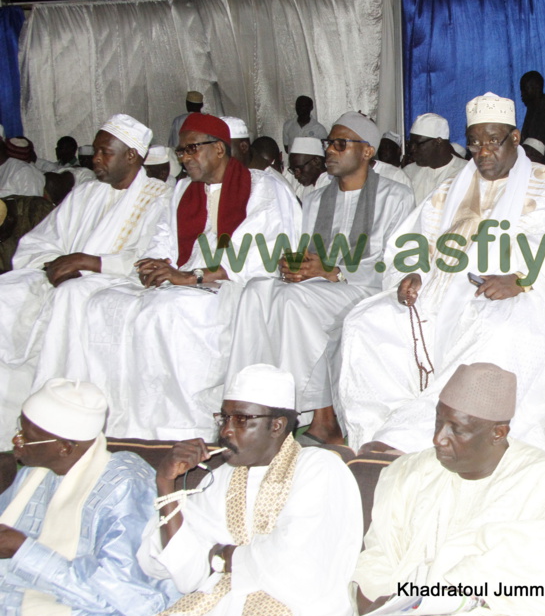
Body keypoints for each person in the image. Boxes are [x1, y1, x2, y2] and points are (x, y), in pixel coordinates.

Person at [334, 92, 545, 454]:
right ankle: (378, 428)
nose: (483, 153)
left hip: (519, 294)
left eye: (493, 142)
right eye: (474, 144)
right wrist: (411, 273)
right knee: (365, 322)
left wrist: (521, 278)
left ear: (514, 138)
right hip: (438, 296)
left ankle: (428, 433)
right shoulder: (449, 188)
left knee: (497, 326)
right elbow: (412, 241)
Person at [60, 113, 300, 440]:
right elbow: (163, 238)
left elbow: (265, 249)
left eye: (191, 150)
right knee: (105, 303)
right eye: (181, 152)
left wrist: (191, 277)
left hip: (234, 285)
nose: (184, 159)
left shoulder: (262, 186)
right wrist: (156, 265)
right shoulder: (183, 189)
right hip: (183, 281)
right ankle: (123, 422)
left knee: (166, 312)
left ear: (218, 149)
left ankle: (182, 426)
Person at [352, 362, 545, 616]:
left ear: (498, 433)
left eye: (457, 429)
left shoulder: (543, 480)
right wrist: (372, 598)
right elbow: (379, 553)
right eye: (439, 422)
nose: (438, 438)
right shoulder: (411, 472)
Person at [227, 112, 414, 445]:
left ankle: (302, 415)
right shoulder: (314, 199)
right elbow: (303, 250)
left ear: (367, 151)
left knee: (290, 300)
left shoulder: (395, 197)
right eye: (330, 143)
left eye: (341, 144)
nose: (330, 151)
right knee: (256, 290)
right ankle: (247, 401)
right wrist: (293, 266)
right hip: (318, 287)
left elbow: (397, 261)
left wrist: (334, 271)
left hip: (364, 287)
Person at [138, 364, 363, 616]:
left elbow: (298, 565)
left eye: (241, 419)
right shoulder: (225, 476)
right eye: (224, 418)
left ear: (277, 426)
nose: (225, 431)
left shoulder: (318, 467)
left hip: (300, 610)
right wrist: (165, 482)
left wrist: (223, 557)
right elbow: (181, 569)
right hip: (224, 605)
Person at [0, 114, 170, 446]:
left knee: (73, 297)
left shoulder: (159, 196)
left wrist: (86, 262)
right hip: (57, 277)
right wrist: (54, 264)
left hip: (119, 283)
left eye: (105, 152)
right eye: (97, 151)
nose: (95, 158)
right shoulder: (85, 193)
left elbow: (151, 255)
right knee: (6, 293)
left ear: (131, 156)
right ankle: (9, 417)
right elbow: (39, 242)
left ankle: (55, 419)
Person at [1, 378, 176, 616]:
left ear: (65, 448)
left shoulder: (124, 484)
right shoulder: (33, 475)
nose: (15, 442)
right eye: (19, 430)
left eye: (27, 438)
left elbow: (124, 597)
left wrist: (23, 550)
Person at [402, 113, 467, 204]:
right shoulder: (409, 172)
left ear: (438, 142)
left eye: (417, 144)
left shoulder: (465, 172)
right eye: (411, 144)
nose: (412, 149)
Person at [519, 70, 545, 168]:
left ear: (536, 87)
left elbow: (536, 149)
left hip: (544, 167)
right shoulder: (533, 108)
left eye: (524, 89)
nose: (521, 95)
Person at [286, 136, 329, 201]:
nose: (296, 175)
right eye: (293, 170)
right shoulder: (303, 188)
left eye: (299, 169)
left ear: (316, 161)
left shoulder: (332, 185)